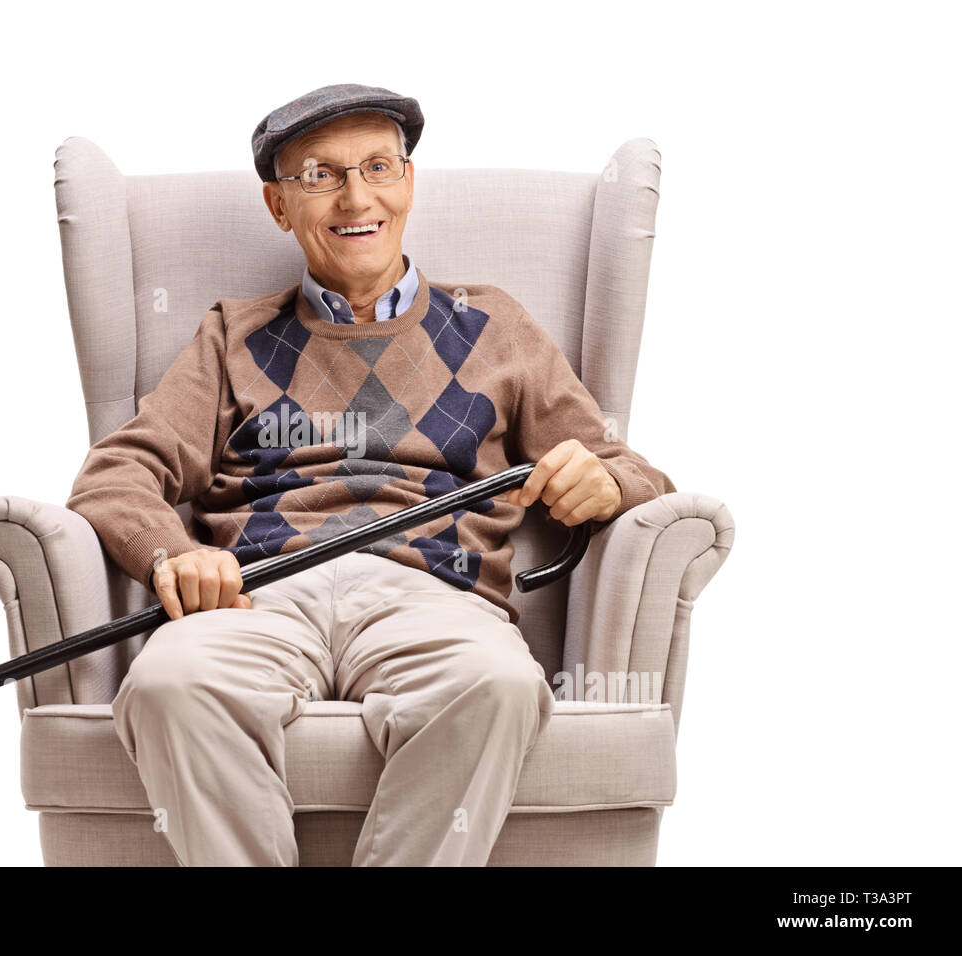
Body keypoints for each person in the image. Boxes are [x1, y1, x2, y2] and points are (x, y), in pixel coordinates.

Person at [66, 83, 676, 865]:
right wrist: (170, 553)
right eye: (319, 175)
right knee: (166, 684)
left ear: (409, 184)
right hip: (263, 592)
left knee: (498, 684)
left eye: (378, 167)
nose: (357, 197)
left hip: (436, 593)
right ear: (279, 206)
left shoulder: (496, 326)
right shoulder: (232, 335)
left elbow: (631, 468)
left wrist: (606, 482)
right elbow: (116, 472)